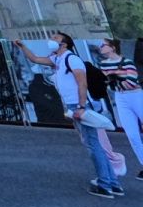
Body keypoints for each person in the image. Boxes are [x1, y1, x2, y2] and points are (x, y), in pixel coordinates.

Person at [16, 33, 123, 197]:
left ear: (65, 44)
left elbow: (82, 83)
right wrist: (22, 47)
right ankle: (113, 183)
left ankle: (105, 184)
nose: (51, 40)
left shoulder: (72, 59)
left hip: (80, 105)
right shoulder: (57, 60)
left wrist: (81, 106)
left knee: (93, 145)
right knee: (94, 144)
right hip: (73, 105)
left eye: (56, 38)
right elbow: (36, 59)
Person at [97, 38, 142, 180]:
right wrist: (115, 80)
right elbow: (108, 83)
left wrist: (115, 79)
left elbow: (132, 82)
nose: (101, 48)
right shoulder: (103, 65)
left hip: (136, 96)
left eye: (103, 45)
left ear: (112, 47)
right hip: (120, 97)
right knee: (132, 135)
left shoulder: (127, 62)